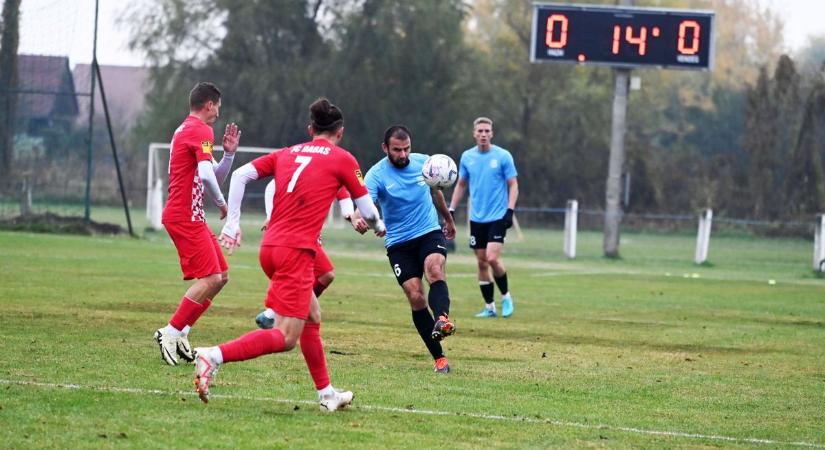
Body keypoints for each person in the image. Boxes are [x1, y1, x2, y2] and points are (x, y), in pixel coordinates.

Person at [193, 98, 385, 411]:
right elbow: (368, 211)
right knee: (285, 338)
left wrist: (233, 223)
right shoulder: (343, 158)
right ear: (341, 132)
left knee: (313, 315)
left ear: (312, 130)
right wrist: (379, 226)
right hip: (295, 251)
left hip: (271, 247)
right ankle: (212, 356)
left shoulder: (288, 152)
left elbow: (240, 175)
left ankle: (327, 395)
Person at [359, 125, 457, 374]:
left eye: (406, 149)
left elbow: (436, 193)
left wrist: (448, 219)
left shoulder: (425, 164)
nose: (403, 155)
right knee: (415, 296)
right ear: (385, 148)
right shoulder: (376, 174)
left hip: (428, 231)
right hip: (398, 242)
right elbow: (365, 203)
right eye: (397, 150)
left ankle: (442, 318)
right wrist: (362, 219)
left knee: (434, 269)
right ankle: (439, 359)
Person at [155, 82, 241, 366]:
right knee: (211, 278)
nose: (218, 112)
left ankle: (182, 332)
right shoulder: (200, 129)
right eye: (218, 106)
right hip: (184, 215)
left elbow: (213, 175)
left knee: (222, 276)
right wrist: (221, 203)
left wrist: (228, 155)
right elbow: (206, 177)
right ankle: (170, 332)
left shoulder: (188, 129)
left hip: (191, 215)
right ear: (209, 105)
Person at [254, 185, 359, 329]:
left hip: (309, 235)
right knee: (322, 276)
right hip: (294, 234)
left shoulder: (331, 172)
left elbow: (343, 193)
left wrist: (351, 216)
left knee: (324, 276)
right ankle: (280, 312)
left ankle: (283, 311)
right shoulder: (305, 168)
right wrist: (270, 215)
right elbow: (272, 185)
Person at [449, 117, 518, 318]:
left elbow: (513, 184)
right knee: (481, 263)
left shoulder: (503, 156)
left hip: (497, 216)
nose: (483, 134)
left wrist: (510, 210)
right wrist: (451, 209)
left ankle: (506, 297)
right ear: (474, 134)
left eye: (487, 131)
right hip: (476, 218)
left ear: (492, 134)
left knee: (492, 258)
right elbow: (461, 184)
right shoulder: (467, 157)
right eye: (480, 131)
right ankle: (490, 307)